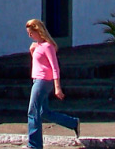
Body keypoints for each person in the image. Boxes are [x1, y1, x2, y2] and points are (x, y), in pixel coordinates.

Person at [25, 18, 80, 148]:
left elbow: (55, 67)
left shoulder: (48, 46)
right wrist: (32, 52)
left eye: (31, 33)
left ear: (38, 31)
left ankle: (34, 145)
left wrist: (57, 87)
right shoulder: (37, 46)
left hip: (43, 82)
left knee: (33, 112)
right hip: (37, 79)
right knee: (44, 112)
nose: (29, 36)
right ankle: (72, 123)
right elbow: (40, 64)